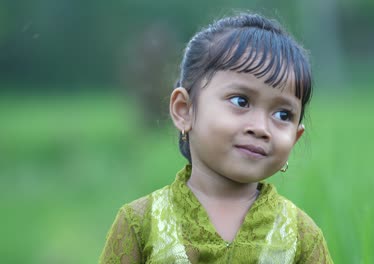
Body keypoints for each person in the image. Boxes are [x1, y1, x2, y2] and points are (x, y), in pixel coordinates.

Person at [99, 12, 333, 264]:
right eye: (241, 101)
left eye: (283, 114)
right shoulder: (141, 224)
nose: (261, 128)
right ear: (184, 110)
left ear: (295, 137)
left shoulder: (301, 236)